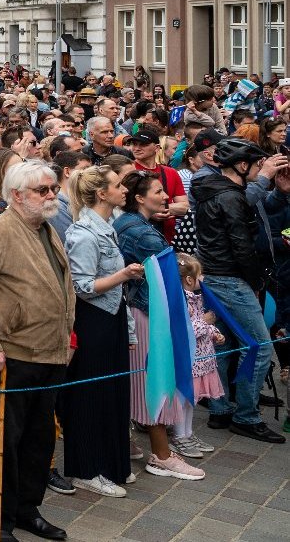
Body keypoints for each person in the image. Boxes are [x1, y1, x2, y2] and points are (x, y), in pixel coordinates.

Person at [0, 160, 75, 542]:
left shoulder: (45, 227)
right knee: (3, 446)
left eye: (53, 188)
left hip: (49, 353)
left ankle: (26, 510)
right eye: (42, 190)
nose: (51, 195)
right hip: (11, 357)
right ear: (17, 195)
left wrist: (67, 337)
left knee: (39, 442)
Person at [110, 170, 206, 480]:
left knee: (141, 381)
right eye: (158, 192)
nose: (166, 197)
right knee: (157, 381)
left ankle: (133, 444)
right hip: (150, 314)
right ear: (139, 198)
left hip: (143, 311)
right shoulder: (143, 233)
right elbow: (169, 277)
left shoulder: (130, 224)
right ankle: (162, 456)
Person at [192, 137, 284, 443]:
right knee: (258, 347)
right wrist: (257, 280)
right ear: (242, 165)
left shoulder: (217, 190)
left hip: (216, 277)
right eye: (257, 164)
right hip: (231, 278)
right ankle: (246, 415)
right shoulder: (229, 197)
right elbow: (241, 246)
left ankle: (220, 408)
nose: (261, 170)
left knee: (224, 345)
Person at [59, 166, 145, 497]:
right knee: (90, 397)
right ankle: (85, 469)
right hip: (92, 321)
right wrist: (123, 274)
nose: (125, 189)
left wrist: (129, 332)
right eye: (118, 185)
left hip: (110, 318)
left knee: (112, 394)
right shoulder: (83, 233)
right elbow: (81, 286)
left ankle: (111, 463)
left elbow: (112, 292)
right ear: (101, 193)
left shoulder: (107, 227)